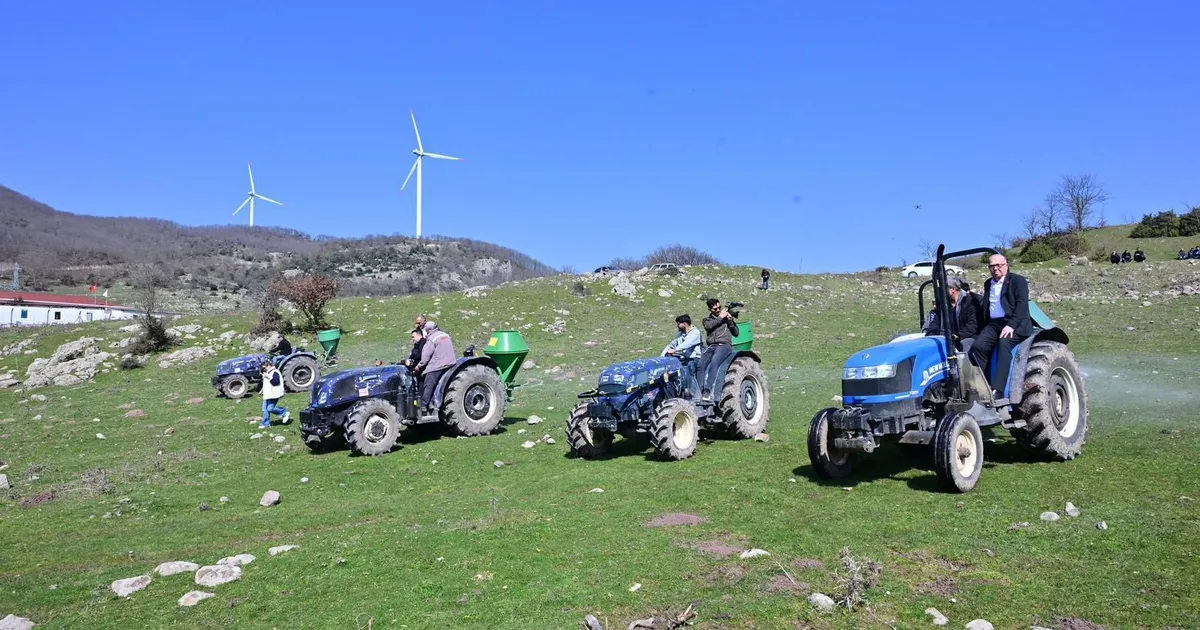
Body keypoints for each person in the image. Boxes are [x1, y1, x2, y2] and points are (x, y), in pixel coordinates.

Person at [969, 254, 1033, 397]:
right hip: (994, 324)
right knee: (978, 346)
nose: (995, 269)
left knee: (1004, 343)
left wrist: (1011, 325)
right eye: (992, 266)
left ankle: (998, 390)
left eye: (999, 265)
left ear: (1006, 265)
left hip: (1015, 323)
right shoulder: (988, 283)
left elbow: (1021, 305)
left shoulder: (1017, 281)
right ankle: (982, 386)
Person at [696, 298, 739, 402]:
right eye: (715, 309)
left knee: (715, 363)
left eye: (719, 307)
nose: (718, 310)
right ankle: (699, 391)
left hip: (724, 346)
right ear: (710, 309)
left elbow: (736, 333)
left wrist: (730, 322)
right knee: (700, 365)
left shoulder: (727, 319)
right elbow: (709, 326)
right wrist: (720, 317)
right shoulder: (707, 320)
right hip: (711, 346)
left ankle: (707, 391)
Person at [414, 321, 455, 415]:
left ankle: (424, 405)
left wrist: (418, 367)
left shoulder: (431, 339)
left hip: (438, 364)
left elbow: (425, 358)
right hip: (451, 362)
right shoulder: (445, 335)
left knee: (428, 381)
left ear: (428, 330)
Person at [662, 314, 703, 394]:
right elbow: (671, 345)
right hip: (684, 359)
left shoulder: (695, 333)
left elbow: (687, 344)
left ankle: (693, 393)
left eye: (678, 324)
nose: (677, 326)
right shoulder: (680, 335)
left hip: (694, 359)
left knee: (689, 371)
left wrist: (674, 350)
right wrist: (661, 357)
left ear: (684, 324)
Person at [259, 362, 289, 429]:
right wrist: (262, 390)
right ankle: (266, 423)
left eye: (265, 367)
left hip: (274, 394)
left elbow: (276, 382)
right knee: (265, 409)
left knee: (270, 408)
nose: (264, 369)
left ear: (269, 365)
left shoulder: (275, 372)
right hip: (267, 394)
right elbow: (266, 384)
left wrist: (268, 377)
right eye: (263, 368)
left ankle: (284, 412)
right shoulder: (267, 373)